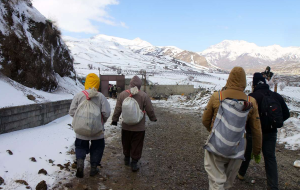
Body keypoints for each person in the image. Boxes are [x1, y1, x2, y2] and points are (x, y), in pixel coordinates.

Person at [202, 67, 262, 190]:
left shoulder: (217, 96)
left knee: (216, 180)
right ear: (244, 82)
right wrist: (256, 151)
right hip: (238, 146)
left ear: (229, 79)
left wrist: (213, 131)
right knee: (227, 182)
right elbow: (256, 130)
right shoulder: (251, 101)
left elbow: (205, 120)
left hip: (216, 144)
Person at [238, 73, 290, 190]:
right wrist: (272, 124)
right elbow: (286, 114)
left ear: (254, 84)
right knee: (270, 157)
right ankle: (273, 186)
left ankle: (241, 174)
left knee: (247, 153)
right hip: (271, 132)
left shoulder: (252, 97)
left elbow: (245, 115)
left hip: (254, 133)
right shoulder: (276, 96)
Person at [111, 76, 157, 172]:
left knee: (126, 142)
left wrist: (115, 120)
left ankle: (127, 158)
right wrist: (153, 118)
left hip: (126, 126)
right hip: (139, 128)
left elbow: (118, 108)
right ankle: (134, 162)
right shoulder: (143, 95)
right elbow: (149, 109)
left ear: (130, 84)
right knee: (137, 144)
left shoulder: (123, 95)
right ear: (139, 85)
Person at [69, 73, 111, 178]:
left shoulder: (79, 95)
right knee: (98, 147)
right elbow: (106, 112)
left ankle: (79, 163)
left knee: (80, 146)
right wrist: (101, 122)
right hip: (97, 130)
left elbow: (72, 111)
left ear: (86, 83)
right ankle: (93, 168)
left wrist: (80, 119)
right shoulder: (100, 96)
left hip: (81, 129)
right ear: (97, 84)